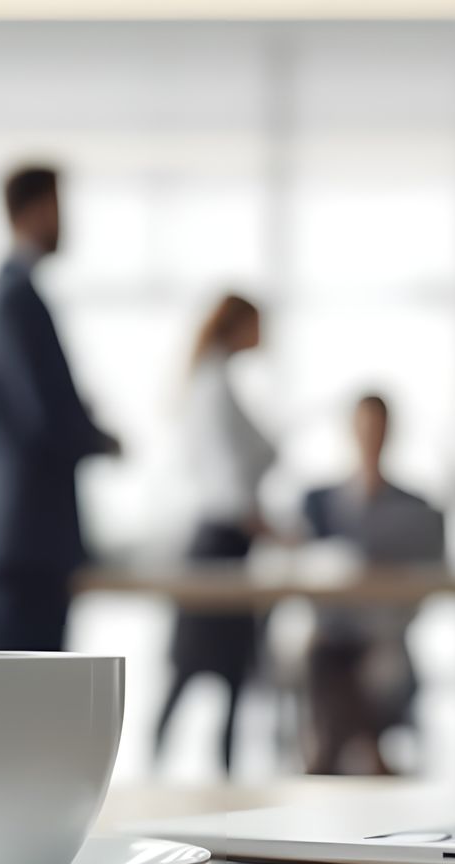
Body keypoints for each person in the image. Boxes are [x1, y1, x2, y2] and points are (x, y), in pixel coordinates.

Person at [0, 164, 120, 651]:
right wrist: (96, 436)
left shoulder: (5, 294)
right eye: (58, 207)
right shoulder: (16, 299)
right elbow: (43, 416)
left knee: (19, 701)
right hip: (26, 536)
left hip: (20, 535)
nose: (66, 222)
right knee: (25, 705)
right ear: (34, 210)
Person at [152, 295, 273, 775]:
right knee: (196, 671)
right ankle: (161, 775)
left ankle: (221, 778)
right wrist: (258, 520)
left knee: (225, 675)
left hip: (228, 540)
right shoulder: (214, 386)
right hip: (220, 542)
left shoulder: (213, 380)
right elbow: (229, 477)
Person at [301, 394, 445, 775]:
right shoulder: (318, 501)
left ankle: (326, 758)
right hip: (333, 629)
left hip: (383, 629)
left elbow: (430, 576)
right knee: (326, 653)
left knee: (343, 662)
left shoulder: (414, 506)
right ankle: (372, 754)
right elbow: (304, 565)